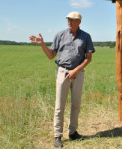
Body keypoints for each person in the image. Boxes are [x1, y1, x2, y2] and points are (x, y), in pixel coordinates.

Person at [29, 11, 95, 147]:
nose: (69, 22)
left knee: (76, 104)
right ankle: (57, 135)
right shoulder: (60, 35)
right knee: (60, 106)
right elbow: (51, 55)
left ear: (79, 22)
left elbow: (88, 58)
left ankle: (72, 132)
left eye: (72, 20)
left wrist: (76, 71)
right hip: (62, 72)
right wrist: (42, 45)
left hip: (78, 73)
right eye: (68, 19)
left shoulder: (86, 37)